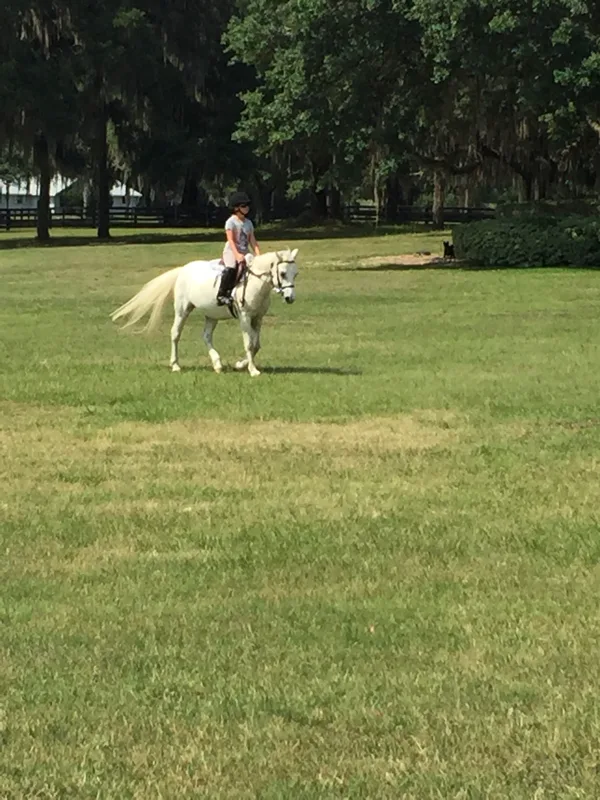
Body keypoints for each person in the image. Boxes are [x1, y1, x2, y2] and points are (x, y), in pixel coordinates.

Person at [217, 191, 261, 306]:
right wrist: (236, 255)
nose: (247, 208)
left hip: (245, 251)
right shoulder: (230, 222)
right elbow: (230, 240)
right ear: (236, 208)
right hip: (231, 251)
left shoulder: (248, 223)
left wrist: (258, 255)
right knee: (231, 268)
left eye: (247, 205)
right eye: (244, 206)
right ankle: (221, 294)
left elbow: (253, 241)